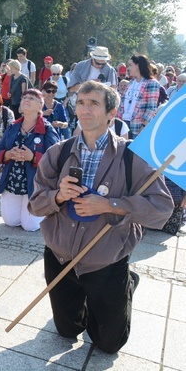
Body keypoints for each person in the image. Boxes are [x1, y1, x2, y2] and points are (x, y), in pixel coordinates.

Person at [29, 80, 173, 354]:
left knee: (108, 343)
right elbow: (35, 206)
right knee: (67, 329)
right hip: (60, 256)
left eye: (93, 103)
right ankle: (85, 300)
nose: (85, 110)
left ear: (112, 112)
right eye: (81, 103)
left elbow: (162, 208)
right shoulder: (57, 153)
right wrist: (58, 196)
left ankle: (126, 284)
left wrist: (110, 205)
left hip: (105, 260)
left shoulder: (134, 158)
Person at [0, 89, 59, 231]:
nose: (26, 100)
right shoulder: (12, 127)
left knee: (30, 227)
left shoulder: (47, 129)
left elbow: (56, 159)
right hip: (13, 182)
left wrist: (33, 157)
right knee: (11, 222)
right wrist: (8, 154)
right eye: (24, 97)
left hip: (35, 184)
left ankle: (47, 209)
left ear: (40, 105)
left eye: (31, 98)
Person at [117, 54, 160, 139]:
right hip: (124, 124)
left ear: (138, 65)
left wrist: (144, 126)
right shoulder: (131, 82)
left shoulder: (152, 83)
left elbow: (151, 108)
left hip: (137, 126)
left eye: (130, 65)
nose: (128, 68)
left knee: (132, 152)